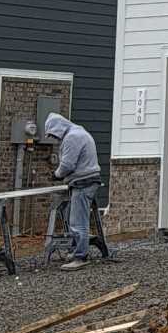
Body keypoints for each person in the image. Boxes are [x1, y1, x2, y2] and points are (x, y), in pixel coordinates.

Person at [44, 112, 103, 264]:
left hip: (83, 182)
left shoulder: (72, 137)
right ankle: (78, 248)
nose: (54, 139)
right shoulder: (78, 132)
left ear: (57, 128)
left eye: (53, 134)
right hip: (87, 180)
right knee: (72, 215)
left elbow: (67, 165)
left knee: (78, 222)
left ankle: (80, 256)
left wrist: (56, 174)